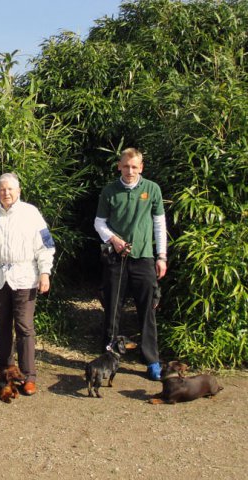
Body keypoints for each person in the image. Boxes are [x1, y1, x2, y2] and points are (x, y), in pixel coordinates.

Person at [0, 172, 55, 395]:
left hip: (25, 277)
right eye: (2, 189)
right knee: (1, 325)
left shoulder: (31, 214)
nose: (6, 193)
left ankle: (28, 376)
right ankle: (5, 371)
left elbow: (46, 246)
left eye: (10, 189)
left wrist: (45, 273)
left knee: (24, 326)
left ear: (19, 191)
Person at [94, 147, 168, 381]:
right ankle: (108, 355)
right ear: (119, 166)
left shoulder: (152, 189)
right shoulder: (110, 191)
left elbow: (159, 224)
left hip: (144, 257)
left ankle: (151, 361)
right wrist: (114, 240)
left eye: (134, 166)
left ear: (141, 168)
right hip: (116, 258)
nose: (130, 171)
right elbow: (99, 223)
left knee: (147, 310)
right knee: (112, 309)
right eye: (126, 166)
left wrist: (161, 256)